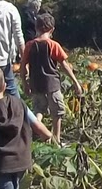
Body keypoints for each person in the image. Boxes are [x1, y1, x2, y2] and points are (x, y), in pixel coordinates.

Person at [21, 11, 82, 144]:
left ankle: (36, 127)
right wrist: (75, 82)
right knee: (57, 112)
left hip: (36, 84)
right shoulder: (53, 45)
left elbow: (23, 65)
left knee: (39, 109)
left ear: (36, 28)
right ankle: (56, 139)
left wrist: (25, 83)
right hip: (52, 84)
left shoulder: (29, 45)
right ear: (52, 29)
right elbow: (64, 65)